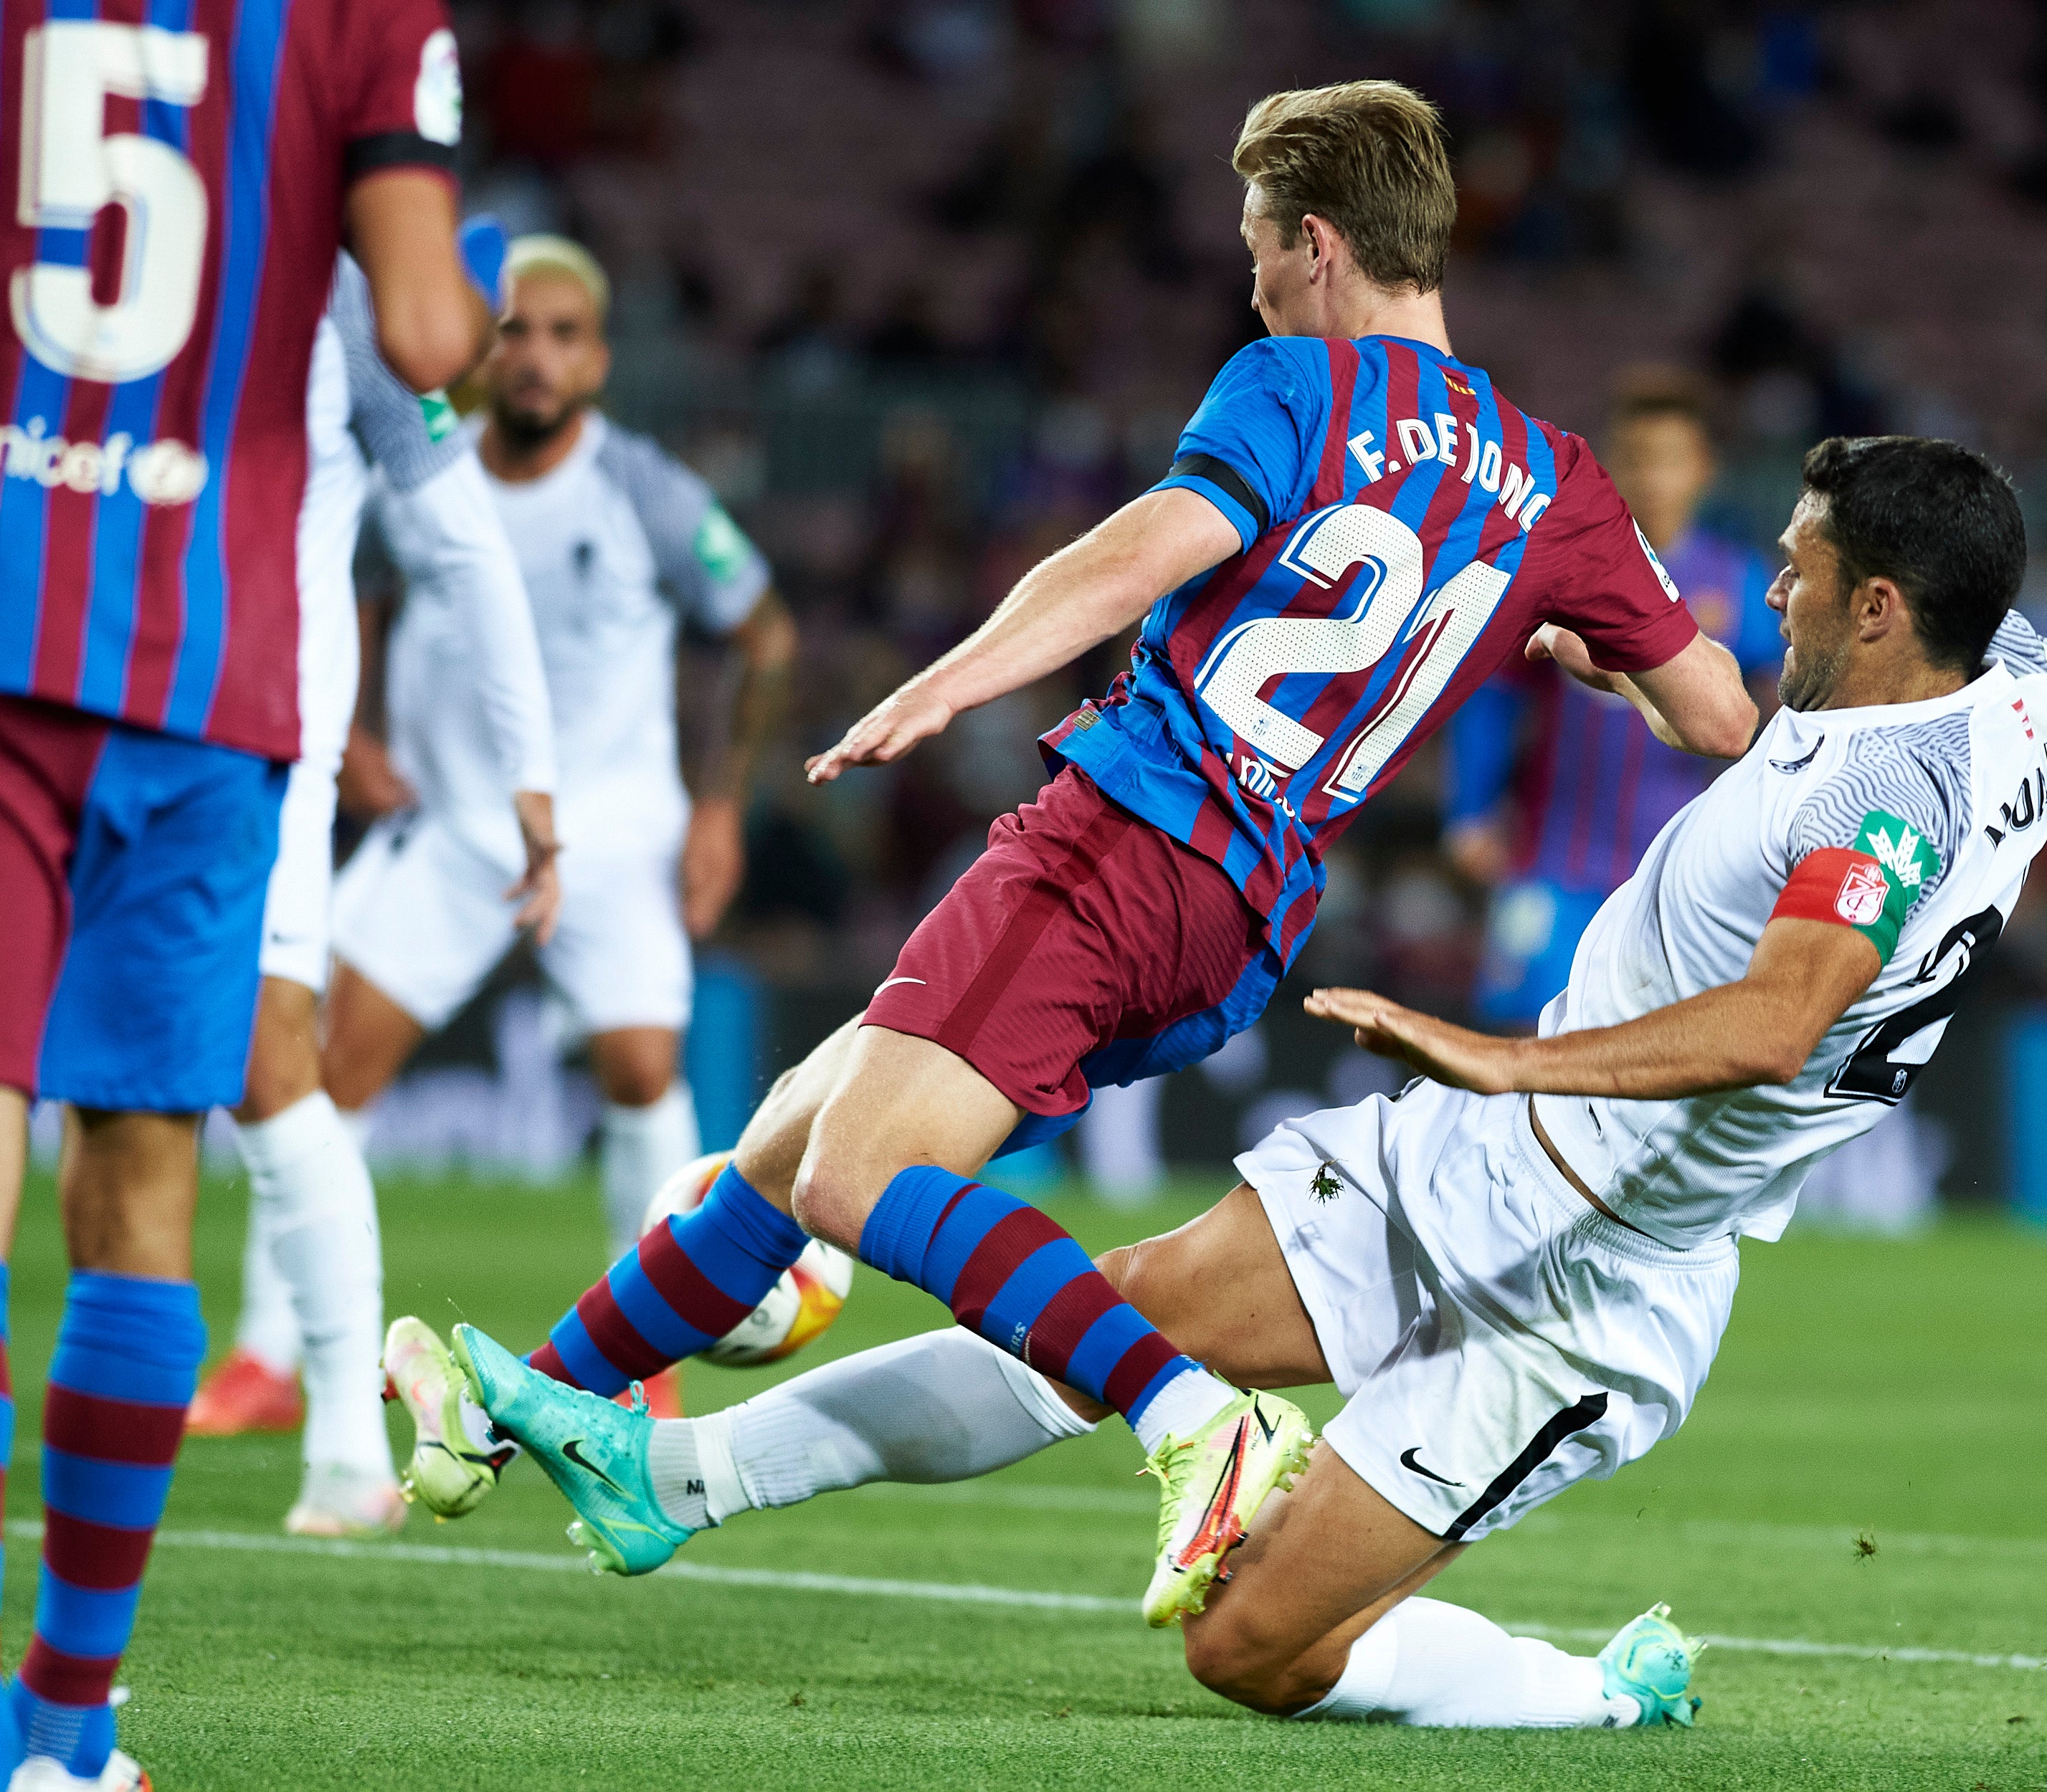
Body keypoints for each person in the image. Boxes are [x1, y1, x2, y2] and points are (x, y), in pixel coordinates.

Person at [457, 446, 2047, 1730]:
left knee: (1247, 1649)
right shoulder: (2011, 697)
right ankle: (674, 1475)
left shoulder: (1884, 785)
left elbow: (1783, 1013)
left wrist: (1505, 1045)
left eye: (1797, 579)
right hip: (1466, 1163)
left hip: (1596, 1287)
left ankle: (1589, 1691)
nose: (1767, 604)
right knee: (1098, 1321)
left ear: (1881, 609)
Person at [396, 80, 1759, 1630]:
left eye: (1257, 244)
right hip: (1238, 928)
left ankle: (1194, 1420)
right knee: (788, 1136)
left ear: (1318, 243)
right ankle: (527, 1415)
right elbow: (1715, 711)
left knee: (860, 1171)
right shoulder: (1557, 479)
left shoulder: (1294, 386)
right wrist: (1587, 642)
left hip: (1126, 832)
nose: (1248, 279)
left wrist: (951, 674)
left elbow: (1144, 550)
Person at [0, 0, 491, 1780]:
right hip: (212, 667)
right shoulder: (368, 18)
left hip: (7, 610)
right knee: (138, 1190)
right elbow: (432, 329)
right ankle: (62, 1733)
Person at [309, 237, 796, 1426]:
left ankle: (653, 1349)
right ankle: (285, 1355)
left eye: (563, 335)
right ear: (481, 343)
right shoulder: (419, 471)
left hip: (615, 837)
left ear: (600, 358)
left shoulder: (645, 490)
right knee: (324, 1077)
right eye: (515, 330)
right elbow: (359, 582)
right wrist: (359, 729)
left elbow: (767, 635)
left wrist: (719, 807)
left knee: (643, 1073)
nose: (534, 357)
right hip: (459, 824)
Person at [181, 247, 562, 1545]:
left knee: (275, 1063)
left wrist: (532, 776)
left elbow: (460, 553)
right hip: (114, 712)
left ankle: (339, 1424)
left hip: (266, 755)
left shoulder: (348, 299)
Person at [1443, 373, 1779, 1026]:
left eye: (1670, 459)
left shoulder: (1739, 582)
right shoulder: (1557, 566)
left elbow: (1781, 708)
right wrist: (1471, 810)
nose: (1652, 477)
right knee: (1519, 1048)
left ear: (1702, 470)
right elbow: (1495, 695)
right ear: (1610, 462)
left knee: (1659, 1055)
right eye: (1637, 457)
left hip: (1683, 877)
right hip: (1552, 863)